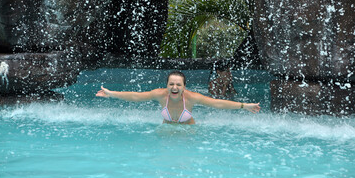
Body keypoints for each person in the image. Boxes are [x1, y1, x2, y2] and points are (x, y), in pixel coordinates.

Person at [96, 71, 260, 125]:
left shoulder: (191, 97)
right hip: (167, 130)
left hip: (188, 131)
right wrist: (111, 94)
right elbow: (135, 96)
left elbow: (217, 103)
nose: (175, 87)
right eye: (171, 84)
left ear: (184, 87)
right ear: (167, 85)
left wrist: (244, 106)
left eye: (178, 85)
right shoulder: (160, 94)